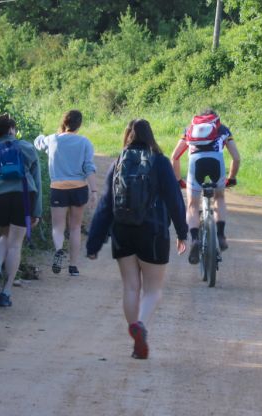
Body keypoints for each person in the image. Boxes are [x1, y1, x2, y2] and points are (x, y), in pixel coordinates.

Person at [87, 119, 188, 360]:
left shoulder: (118, 162)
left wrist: (94, 242)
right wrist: (183, 232)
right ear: (150, 136)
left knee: (131, 287)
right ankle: (140, 325)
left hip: (122, 231)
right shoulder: (160, 162)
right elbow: (175, 199)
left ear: (127, 136)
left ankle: (136, 340)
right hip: (153, 232)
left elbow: (105, 206)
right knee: (153, 290)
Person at [0, 114, 42, 307]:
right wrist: (36, 211)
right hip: (23, 194)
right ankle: (6, 293)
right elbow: (37, 181)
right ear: (12, 130)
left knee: (5, 235)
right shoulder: (27, 148)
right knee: (16, 244)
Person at [170, 109, 241, 264]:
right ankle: (221, 235)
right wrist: (231, 178)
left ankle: (195, 239)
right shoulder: (223, 129)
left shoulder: (189, 130)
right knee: (219, 197)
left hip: (196, 163)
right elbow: (236, 157)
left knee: (192, 205)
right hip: (216, 162)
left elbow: (174, 157)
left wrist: (178, 180)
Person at [34, 110, 97, 277]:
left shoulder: (53, 139)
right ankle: (73, 267)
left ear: (64, 122)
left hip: (58, 188)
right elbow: (89, 167)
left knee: (58, 226)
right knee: (75, 228)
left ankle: (59, 250)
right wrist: (94, 190)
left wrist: (40, 136)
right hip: (79, 188)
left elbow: (38, 143)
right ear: (79, 124)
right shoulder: (85, 142)